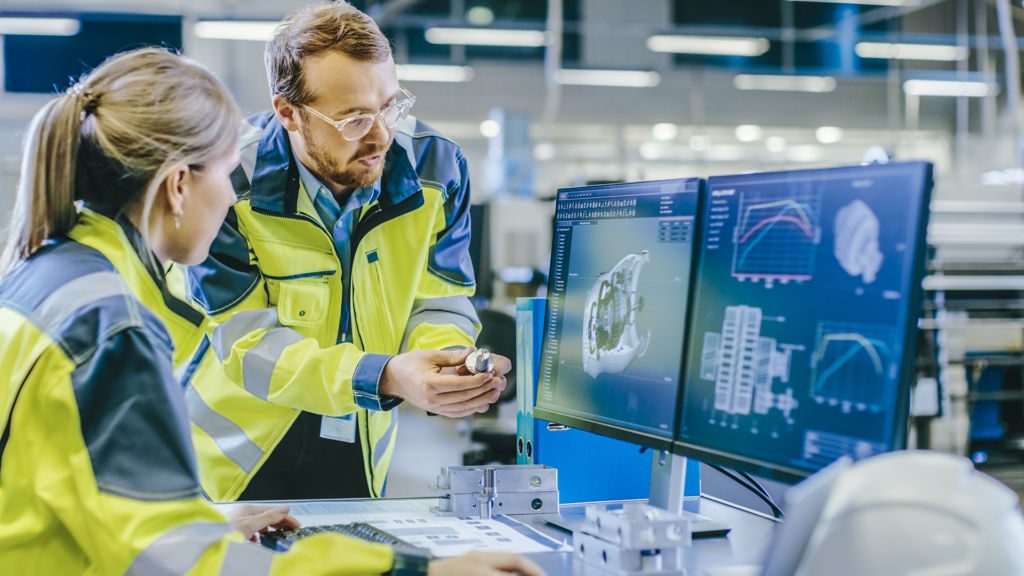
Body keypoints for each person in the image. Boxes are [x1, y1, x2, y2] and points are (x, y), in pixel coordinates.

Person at [0, 46, 542, 576]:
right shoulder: (116, 327)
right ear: (180, 186)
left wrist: (197, 524)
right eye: (227, 172)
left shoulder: (50, 277)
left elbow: (83, 499)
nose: (234, 196)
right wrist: (415, 572)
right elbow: (185, 566)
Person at [184, 1, 508, 502]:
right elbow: (246, 345)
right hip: (233, 462)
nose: (381, 134)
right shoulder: (225, 180)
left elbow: (439, 299)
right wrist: (382, 375)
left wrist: (448, 362)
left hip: (359, 442)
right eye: (355, 118)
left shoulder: (438, 168)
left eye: (390, 106)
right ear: (288, 113)